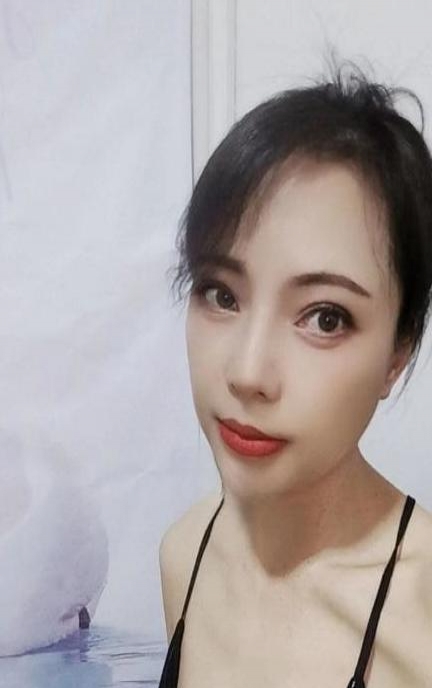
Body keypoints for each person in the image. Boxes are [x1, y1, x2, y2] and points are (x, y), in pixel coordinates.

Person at [158, 59, 432, 688]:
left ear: (398, 353)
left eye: (325, 318)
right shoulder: (184, 555)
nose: (248, 372)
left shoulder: (421, 618)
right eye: (221, 294)